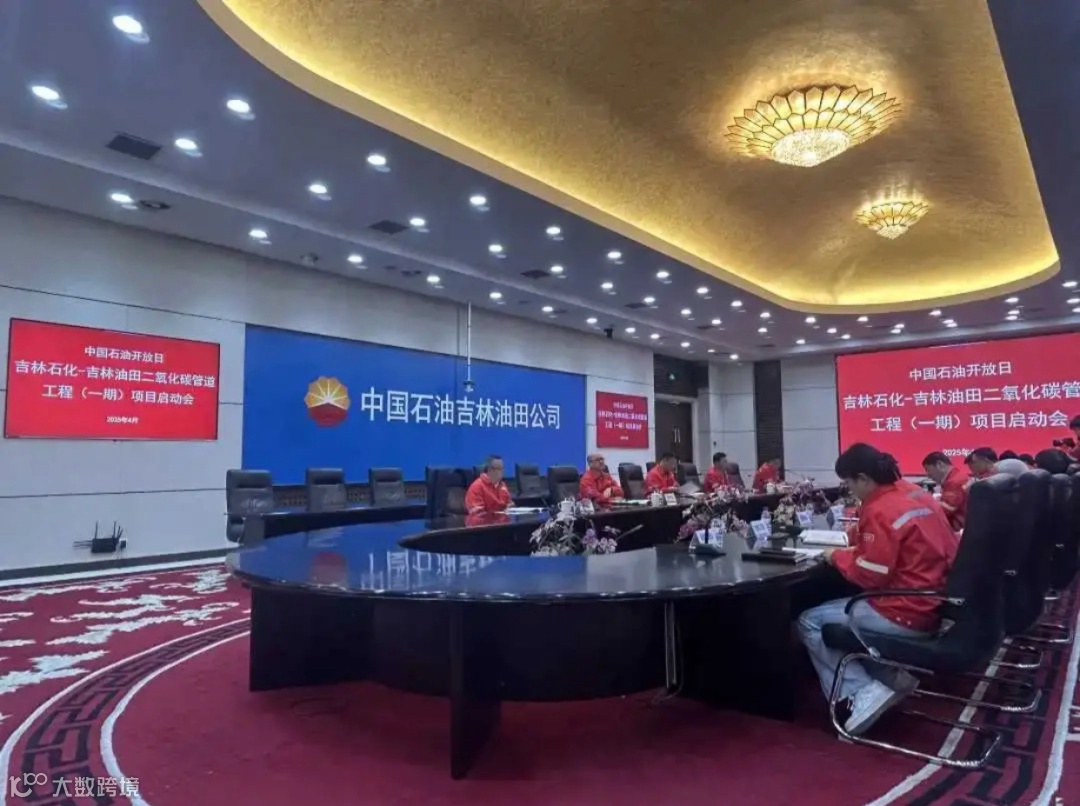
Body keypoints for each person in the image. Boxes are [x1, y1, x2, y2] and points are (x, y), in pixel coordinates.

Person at [797, 443, 958, 737]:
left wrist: (835, 556)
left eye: (848, 483)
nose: (849, 490)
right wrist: (856, 539)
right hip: (934, 600)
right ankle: (892, 678)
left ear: (863, 478)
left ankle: (861, 691)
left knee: (810, 621)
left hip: (904, 610)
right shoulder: (914, 492)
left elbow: (870, 575)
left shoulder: (880, 508)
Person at [921, 451, 968, 532]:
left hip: (958, 528)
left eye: (928, 469)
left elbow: (947, 509)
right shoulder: (957, 477)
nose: (928, 475)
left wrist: (926, 502)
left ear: (939, 464)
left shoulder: (954, 481)